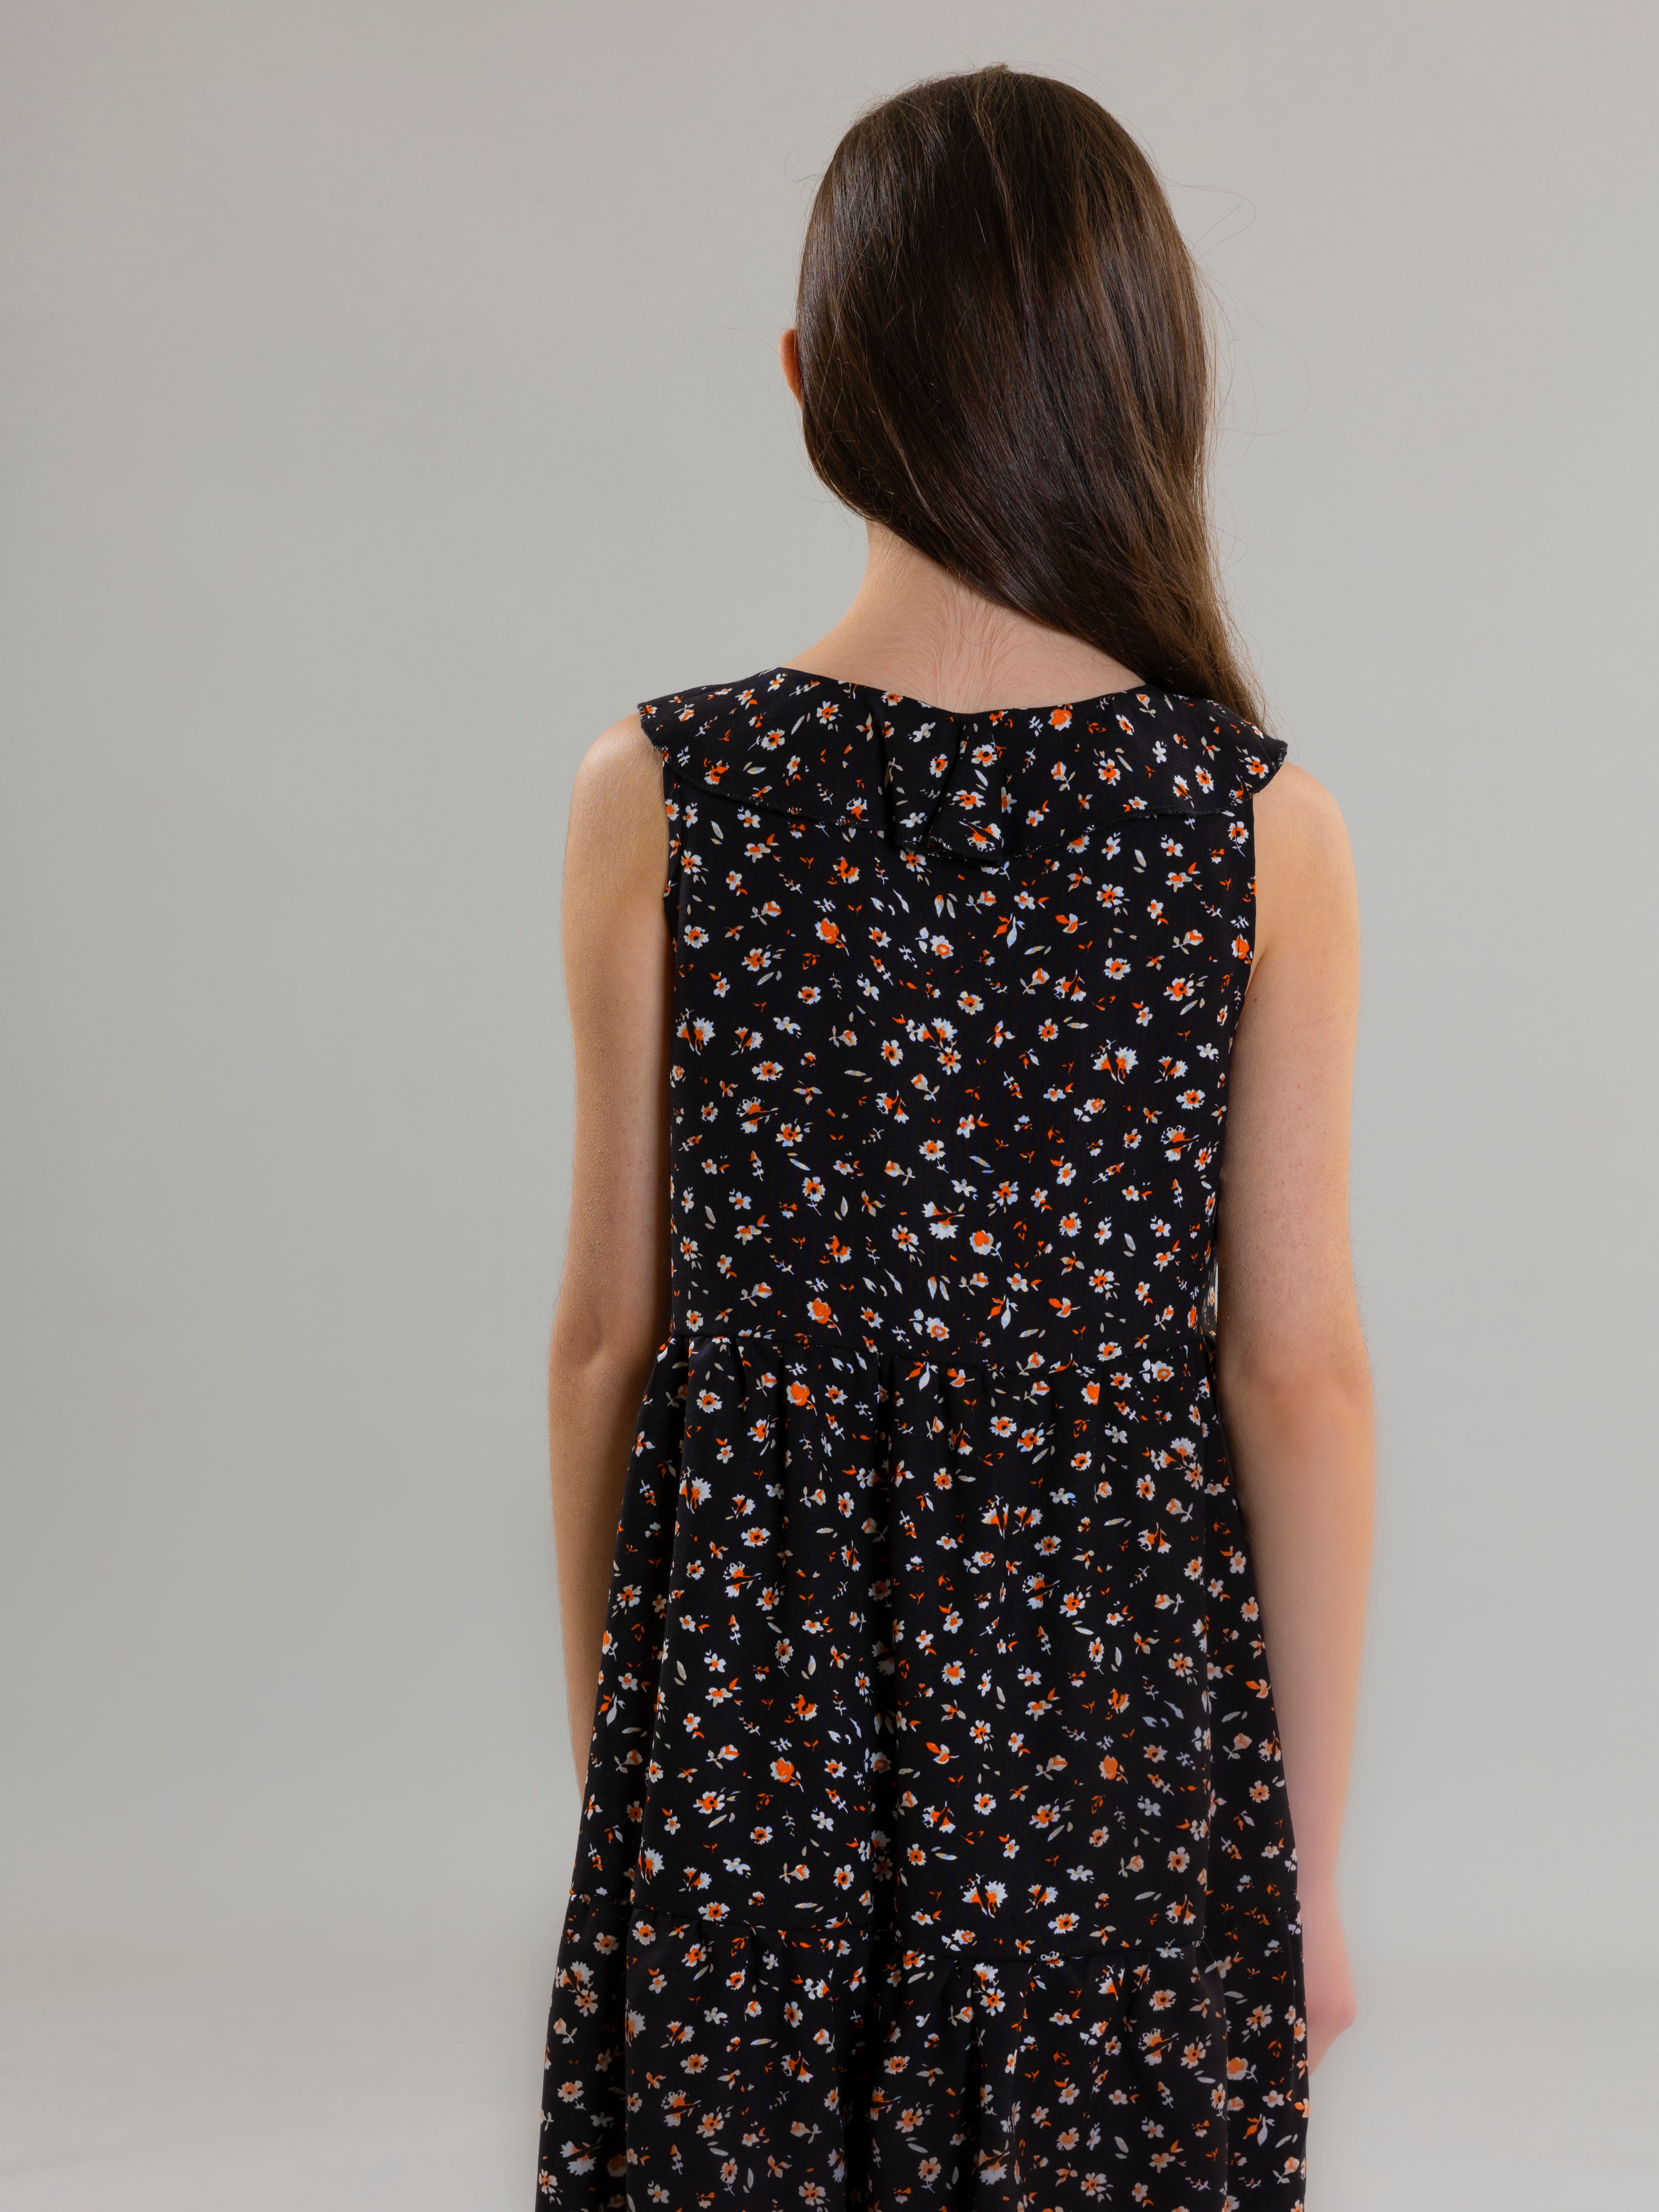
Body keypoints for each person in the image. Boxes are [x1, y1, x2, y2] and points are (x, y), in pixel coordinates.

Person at [536, 63, 1372, 2212]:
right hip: (1124, 1770)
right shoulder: (1255, 824)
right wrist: (1297, 1868)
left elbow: (610, 1343)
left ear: (811, 383)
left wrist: (637, 1781)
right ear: (1146, 381)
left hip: (752, 1749)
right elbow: (1296, 1374)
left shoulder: (663, 795)